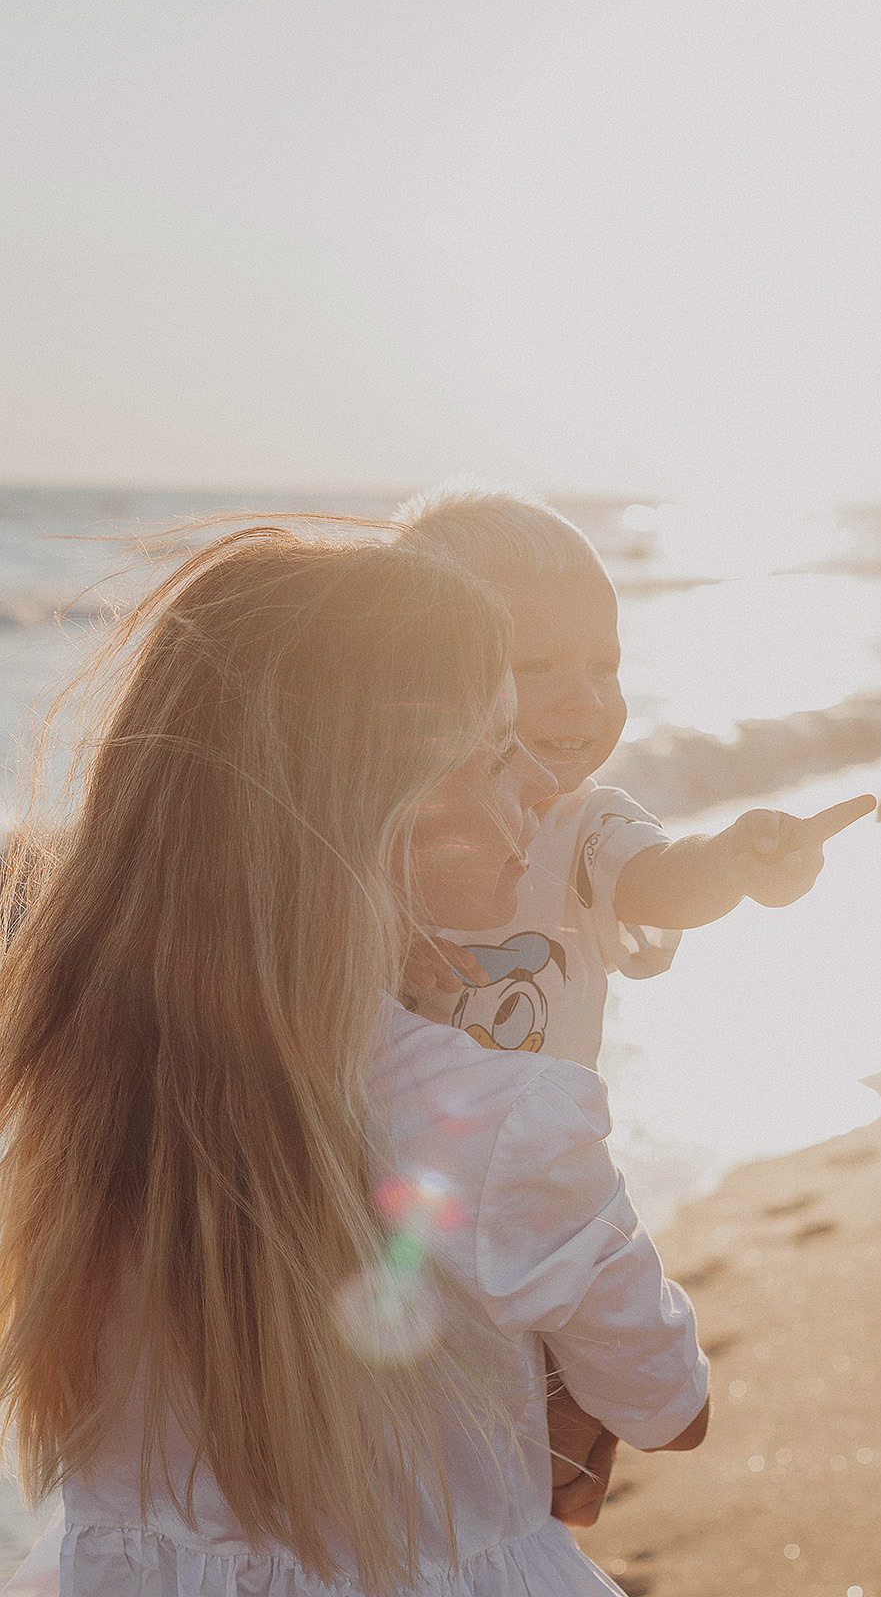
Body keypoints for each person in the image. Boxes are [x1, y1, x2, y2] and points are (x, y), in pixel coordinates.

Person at [0, 526, 708, 1597]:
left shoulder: (83, 1073)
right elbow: (672, 1407)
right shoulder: (504, 1117)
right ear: (377, 821)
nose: (534, 792)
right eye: (489, 756)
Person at [393, 489, 877, 1069]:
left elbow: (660, 882)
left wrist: (729, 861)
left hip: (544, 1149)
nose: (584, 699)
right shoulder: (374, 825)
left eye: (605, 666)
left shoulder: (585, 827)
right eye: (536, 667)